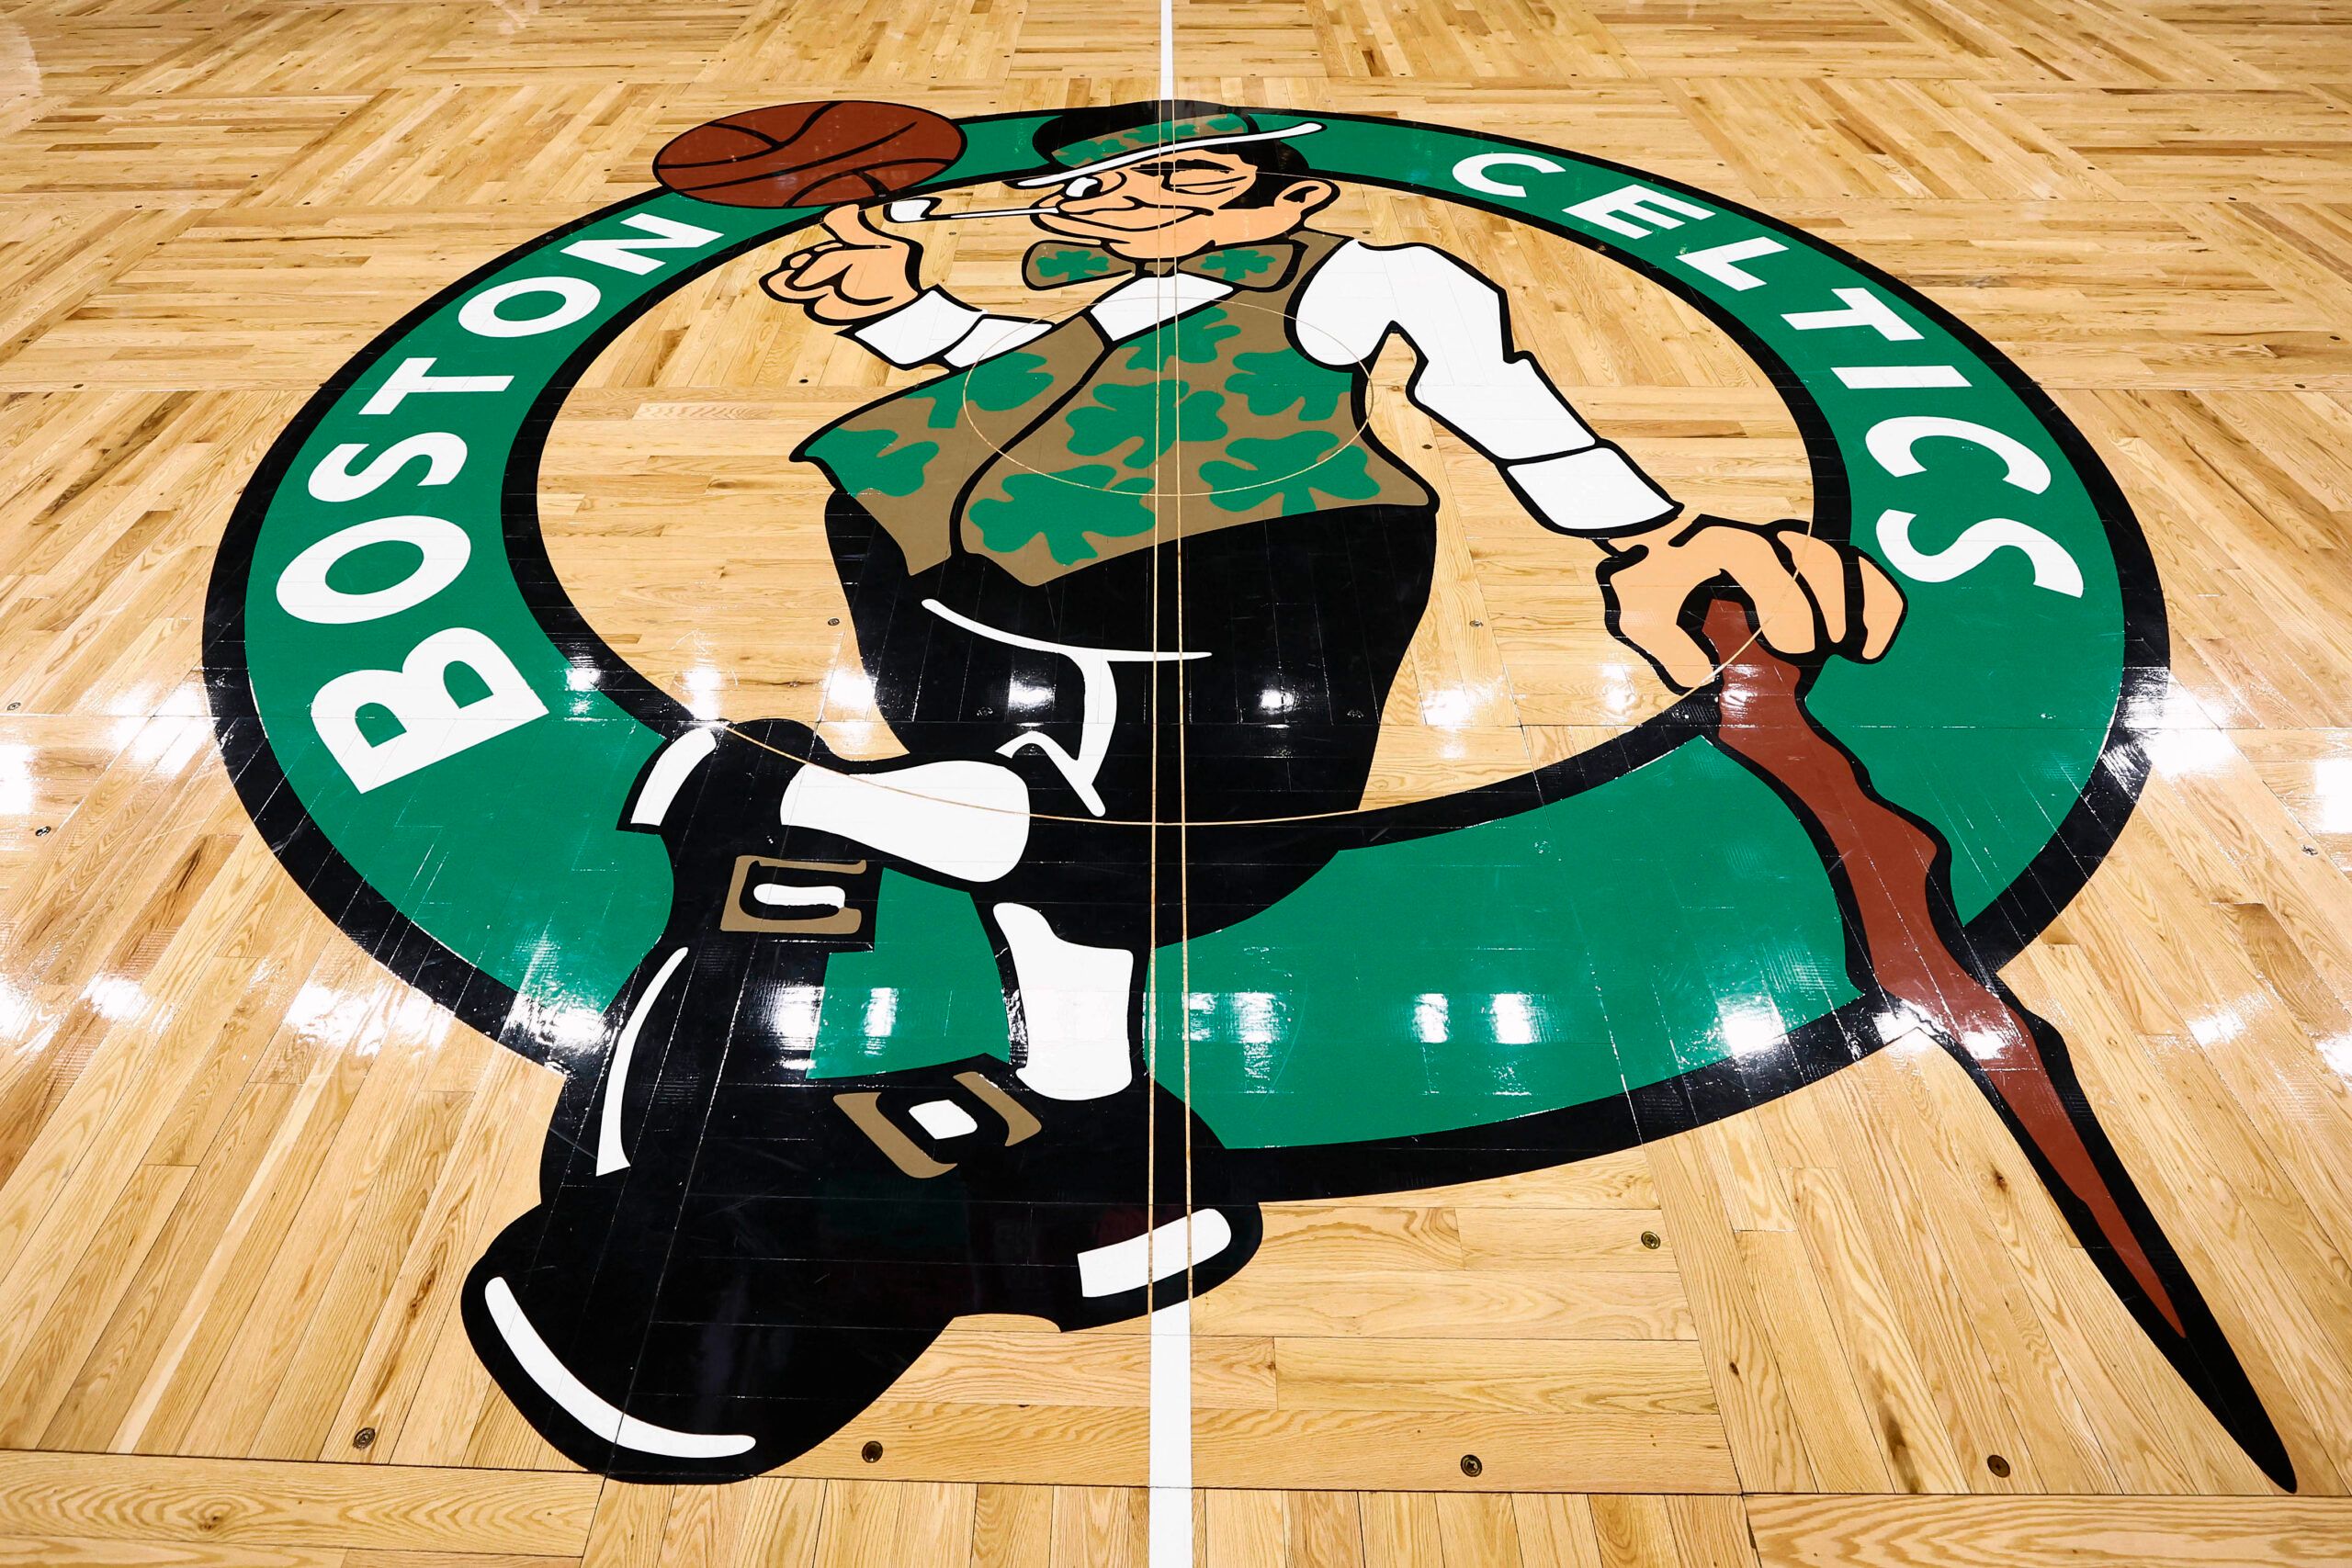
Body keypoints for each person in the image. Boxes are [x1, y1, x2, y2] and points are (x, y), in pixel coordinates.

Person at [461, 100, 1905, 1482]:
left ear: (1288, 194)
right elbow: (1015, 364)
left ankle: (782, 797)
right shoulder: (1110, 299)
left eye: (1185, 178)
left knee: (1165, 839)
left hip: (1240, 579)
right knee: (1061, 830)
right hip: (964, 572)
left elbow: (1498, 397)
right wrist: (895, 308)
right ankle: (1069, 1084)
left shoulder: (1363, 279)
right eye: (1095, 189)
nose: (1127, 200)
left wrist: (1651, 528)